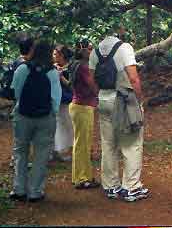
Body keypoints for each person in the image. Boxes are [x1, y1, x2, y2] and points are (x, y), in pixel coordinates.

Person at [88, 28, 148, 202]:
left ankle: (110, 186)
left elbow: (91, 80)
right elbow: (134, 78)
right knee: (132, 143)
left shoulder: (95, 51)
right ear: (118, 33)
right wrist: (139, 100)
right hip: (122, 100)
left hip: (104, 99)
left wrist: (100, 95)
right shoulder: (124, 48)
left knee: (108, 144)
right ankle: (131, 187)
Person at [9, 40, 61, 202]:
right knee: (42, 154)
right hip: (45, 118)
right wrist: (52, 114)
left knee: (20, 151)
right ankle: (35, 191)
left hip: (23, 116)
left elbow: (16, 92)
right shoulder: (52, 72)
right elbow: (56, 98)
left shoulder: (22, 69)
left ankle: (19, 189)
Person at [69, 39, 100, 189]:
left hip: (78, 106)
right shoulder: (83, 67)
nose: (91, 51)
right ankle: (82, 178)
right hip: (83, 106)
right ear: (82, 50)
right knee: (83, 144)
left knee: (82, 143)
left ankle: (82, 176)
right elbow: (93, 86)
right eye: (89, 48)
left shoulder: (74, 65)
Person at [6, 33, 35, 168]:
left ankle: (18, 159)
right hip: (24, 103)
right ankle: (17, 160)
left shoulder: (17, 61)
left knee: (21, 134)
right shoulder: (25, 64)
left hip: (19, 101)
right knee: (22, 135)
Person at [52, 45, 74, 162]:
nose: (53, 56)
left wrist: (60, 76)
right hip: (57, 101)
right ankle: (58, 149)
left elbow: (72, 86)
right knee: (58, 125)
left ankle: (65, 149)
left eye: (56, 54)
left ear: (62, 56)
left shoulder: (70, 68)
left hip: (67, 100)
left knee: (67, 125)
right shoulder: (53, 68)